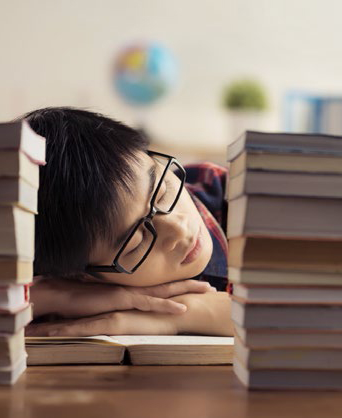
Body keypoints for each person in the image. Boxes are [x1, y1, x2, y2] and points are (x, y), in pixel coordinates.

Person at [20, 107, 232, 337]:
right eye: (137, 243)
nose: (178, 228)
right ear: (84, 277)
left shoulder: (239, 193)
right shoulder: (50, 261)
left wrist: (178, 317)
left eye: (163, 193)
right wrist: (54, 298)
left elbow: (277, 314)